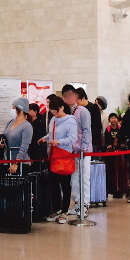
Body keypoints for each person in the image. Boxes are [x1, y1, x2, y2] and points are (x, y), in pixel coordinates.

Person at [37, 96, 76, 224]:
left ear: (62, 108)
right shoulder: (53, 119)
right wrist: (45, 138)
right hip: (53, 155)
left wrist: (59, 142)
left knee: (65, 184)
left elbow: (72, 138)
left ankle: (65, 211)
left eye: (56, 110)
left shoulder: (70, 121)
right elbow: (52, 133)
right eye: (52, 111)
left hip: (64, 154)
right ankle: (56, 208)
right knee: (54, 184)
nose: (54, 113)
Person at [61, 85, 91, 216]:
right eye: (66, 95)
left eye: (71, 94)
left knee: (84, 177)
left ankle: (85, 204)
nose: (69, 98)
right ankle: (77, 203)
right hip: (70, 151)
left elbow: (86, 130)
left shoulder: (83, 111)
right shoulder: (66, 112)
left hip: (83, 150)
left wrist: (84, 147)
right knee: (74, 178)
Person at [1, 98, 33, 175]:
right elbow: (4, 136)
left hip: (20, 164)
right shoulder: (11, 122)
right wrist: (1, 142)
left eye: (14, 108)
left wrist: (16, 163)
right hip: (8, 161)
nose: (12, 110)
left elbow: (24, 147)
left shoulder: (27, 126)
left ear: (21, 110)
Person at [77, 88, 102, 154]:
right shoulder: (76, 109)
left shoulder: (93, 107)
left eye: (77, 100)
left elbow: (97, 125)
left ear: (83, 98)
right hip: (79, 141)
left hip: (91, 140)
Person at [27, 103, 48, 168]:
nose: (27, 112)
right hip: (30, 149)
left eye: (29, 110)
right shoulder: (28, 123)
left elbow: (36, 137)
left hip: (37, 149)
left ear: (35, 112)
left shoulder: (39, 123)